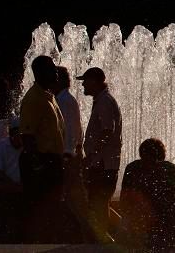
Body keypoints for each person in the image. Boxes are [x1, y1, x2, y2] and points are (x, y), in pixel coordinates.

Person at [19, 55, 66, 242]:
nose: (56, 72)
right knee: (39, 208)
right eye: (51, 69)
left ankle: (45, 242)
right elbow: (27, 135)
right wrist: (37, 164)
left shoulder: (49, 96)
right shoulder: (33, 99)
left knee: (51, 208)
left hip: (51, 160)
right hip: (40, 161)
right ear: (40, 73)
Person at [120, 138, 175, 251]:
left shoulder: (134, 169)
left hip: (165, 230)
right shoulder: (172, 170)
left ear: (142, 155)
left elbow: (124, 202)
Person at [78, 67, 122, 241]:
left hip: (103, 163)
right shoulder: (102, 100)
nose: (83, 85)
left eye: (85, 81)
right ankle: (120, 233)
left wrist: (92, 155)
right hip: (102, 162)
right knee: (100, 201)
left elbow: (107, 131)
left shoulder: (104, 102)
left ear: (95, 82)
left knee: (99, 200)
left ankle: (103, 239)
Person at [54, 66, 83, 157]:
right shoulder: (63, 99)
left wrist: (67, 153)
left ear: (58, 81)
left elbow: (69, 129)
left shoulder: (64, 101)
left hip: (66, 154)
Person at [0, 116, 22, 185]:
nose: (21, 138)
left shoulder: (27, 146)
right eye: (18, 134)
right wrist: (14, 186)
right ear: (12, 134)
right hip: (5, 188)